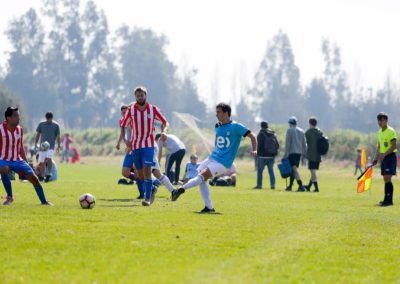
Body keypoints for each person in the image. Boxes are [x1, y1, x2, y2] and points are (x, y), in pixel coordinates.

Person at [170, 103, 257, 213]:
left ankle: (180, 190)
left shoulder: (236, 126)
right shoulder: (217, 126)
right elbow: (217, 141)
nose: (216, 114)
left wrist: (255, 149)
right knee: (201, 178)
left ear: (226, 113)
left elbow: (252, 136)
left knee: (202, 176)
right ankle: (209, 208)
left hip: (223, 162)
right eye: (216, 112)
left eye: (218, 112)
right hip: (213, 157)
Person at [119, 86, 169, 206]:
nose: (140, 97)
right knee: (139, 175)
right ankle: (152, 188)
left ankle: (147, 198)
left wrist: (164, 132)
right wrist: (125, 139)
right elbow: (123, 125)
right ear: (135, 97)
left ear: (146, 95)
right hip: (135, 146)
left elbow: (164, 122)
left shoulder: (153, 109)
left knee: (147, 171)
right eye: (138, 95)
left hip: (148, 145)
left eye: (142, 95)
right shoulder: (131, 110)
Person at [1, 107, 53, 206]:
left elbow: (20, 147)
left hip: (17, 160)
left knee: (34, 178)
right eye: (15, 116)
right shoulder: (0, 129)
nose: (18, 118)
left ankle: (44, 202)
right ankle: (10, 197)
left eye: (18, 116)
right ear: (8, 118)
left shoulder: (20, 130)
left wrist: (26, 162)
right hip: (3, 159)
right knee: (4, 169)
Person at [373, 112, 397, 207]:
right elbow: (379, 147)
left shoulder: (391, 131)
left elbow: (393, 146)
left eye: (381, 120)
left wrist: (384, 155)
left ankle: (388, 201)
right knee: (385, 179)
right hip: (383, 157)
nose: (380, 122)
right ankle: (386, 200)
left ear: (386, 121)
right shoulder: (379, 132)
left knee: (387, 178)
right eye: (378, 120)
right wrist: (376, 158)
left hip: (390, 156)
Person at [116, 104, 138, 192]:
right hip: (129, 148)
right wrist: (119, 143)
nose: (124, 113)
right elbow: (122, 133)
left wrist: (132, 145)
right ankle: (139, 180)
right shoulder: (121, 121)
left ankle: (149, 184)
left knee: (138, 170)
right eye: (123, 112)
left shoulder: (133, 120)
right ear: (121, 113)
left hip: (136, 147)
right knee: (125, 173)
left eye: (126, 112)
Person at [34, 111, 61, 182]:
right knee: (42, 162)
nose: (49, 120)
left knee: (49, 158)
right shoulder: (41, 124)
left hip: (51, 146)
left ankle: (49, 173)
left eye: (50, 119)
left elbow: (58, 136)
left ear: (52, 118)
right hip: (42, 147)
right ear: (46, 118)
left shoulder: (56, 125)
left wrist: (58, 146)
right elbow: (38, 134)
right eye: (48, 119)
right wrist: (36, 143)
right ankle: (42, 177)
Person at [283, 116, 307, 192]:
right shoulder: (301, 131)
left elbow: (288, 144)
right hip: (299, 153)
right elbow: (304, 144)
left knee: (294, 169)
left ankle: (300, 185)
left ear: (290, 123)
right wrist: (304, 154)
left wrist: (285, 155)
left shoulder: (289, 130)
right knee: (293, 170)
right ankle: (290, 186)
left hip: (291, 153)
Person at [254, 121, 279, 190]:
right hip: (271, 156)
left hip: (262, 156)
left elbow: (258, 146)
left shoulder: (261, 134)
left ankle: (259, 185)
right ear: (267, 126)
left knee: (260, 171)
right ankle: (273, 185)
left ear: (261, 126)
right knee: (271, 171)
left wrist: (257, 154)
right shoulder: (272, 133)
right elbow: (277, 145)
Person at [304, 117, 323, 192]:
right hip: (318, 155)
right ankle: (308, 187)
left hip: (311, 155)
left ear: (310, 123)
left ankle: (316, 188)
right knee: (313, 172)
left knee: (313, 172)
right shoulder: (320, 132)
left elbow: (305, 143)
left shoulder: (308, 132)